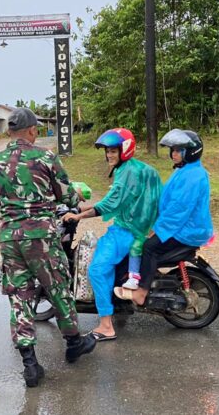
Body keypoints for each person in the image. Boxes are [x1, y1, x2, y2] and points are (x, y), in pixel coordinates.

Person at [0, 107, 96, 388]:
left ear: (10, 131)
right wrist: (75, 198)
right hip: (42, 236)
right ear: (33, 130)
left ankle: (30, 364)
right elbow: (67, 193)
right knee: (57, 284)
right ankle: (73, 342)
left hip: (10, 237)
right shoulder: (45, 156)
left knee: (20, 295)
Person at [62, 128, 162, 341]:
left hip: (127, 231)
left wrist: (78, 216)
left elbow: (110, 203)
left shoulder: (125, 172)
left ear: (124, 150)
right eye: (107, 151)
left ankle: (106, 325)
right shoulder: (142, 168)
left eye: (113, 151)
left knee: (97, 269)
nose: (109, 155)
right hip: (143, 229)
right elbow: (120, 200)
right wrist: (81, 210)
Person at [114, 129, 214, 306]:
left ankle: (141, 292)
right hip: (184, 227)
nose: (173, 154)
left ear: (190, 152)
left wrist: (158, 229)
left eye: (178, 150)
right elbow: (166, 199)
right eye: (172, 150)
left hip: (187, 230)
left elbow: (178, 209)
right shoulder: (185, 170)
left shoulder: (193, 176)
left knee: (149, 248)